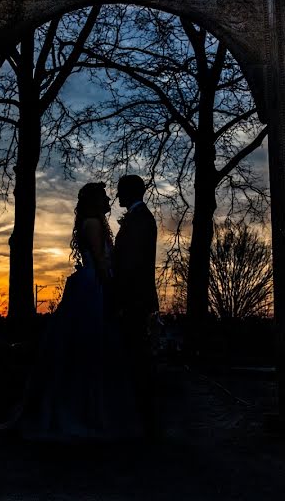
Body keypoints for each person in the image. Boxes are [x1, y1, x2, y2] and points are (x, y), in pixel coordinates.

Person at [9, 182, 142, 442]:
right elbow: (101, 261)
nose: (108, 199)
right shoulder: (92, 223)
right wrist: (112, 288)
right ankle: (83, 411)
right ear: (95, 200)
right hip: (92, 287)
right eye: (104, 196)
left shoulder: (96, 222)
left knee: (91, 348)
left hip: (92, 284)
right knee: (87, 346)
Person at [111, 174, 160, 437]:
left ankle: (145, 423)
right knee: (135, 358)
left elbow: (132, 266)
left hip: (134, 300)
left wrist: (121, 300)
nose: (117, 196)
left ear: (130, 192)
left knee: (137, 359)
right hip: (136, 299)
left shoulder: (140, 220)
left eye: (120, 191)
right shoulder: (139, 218)